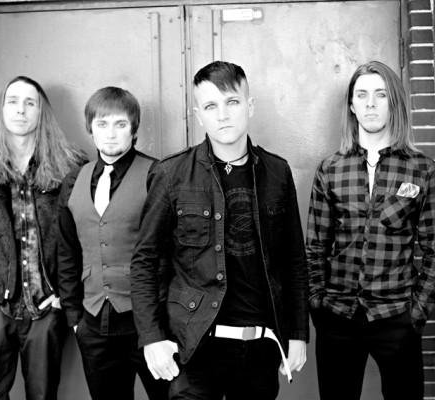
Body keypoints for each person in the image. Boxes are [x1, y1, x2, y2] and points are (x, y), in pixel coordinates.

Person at [131, 61, 309, 400]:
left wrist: (298, 333)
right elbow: (144, 262)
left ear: (250, 106)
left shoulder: (277, 172)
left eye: (232, 102)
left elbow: (295, 261)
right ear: (199, 115)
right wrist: (151, 338)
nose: (223, 115)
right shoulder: (171, 174)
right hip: (194, 346)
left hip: (259, 347)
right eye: (211, 106)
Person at [306, 60, 435, 400]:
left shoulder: (422, 170)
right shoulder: (330, 169)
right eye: (362, 95)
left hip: (397, 317)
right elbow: (314, 247)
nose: (370, 104)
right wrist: (318, 305)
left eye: (380, 94)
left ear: (393, 102)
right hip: (338, 317)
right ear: (352, 106)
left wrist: (416, 312)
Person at [0, 76, 84, 400]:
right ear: (2, 109)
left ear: (41, 112)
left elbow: (84, 233)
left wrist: (64, 294)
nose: (20, 110)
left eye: (30, 102)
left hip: (46, 306)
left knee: (42, 394)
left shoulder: (70, 165)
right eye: (12, 101)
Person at [58, 87, 169, 400]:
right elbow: (66, 252)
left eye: (120, 124)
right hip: (93, 324)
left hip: (148, 324)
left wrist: (162, 319)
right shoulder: (73, 181)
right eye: (102, 124)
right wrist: (75, 318)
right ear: (90, 129)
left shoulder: (156, 174)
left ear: (133, 130)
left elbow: (169, 251)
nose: (110, 133)